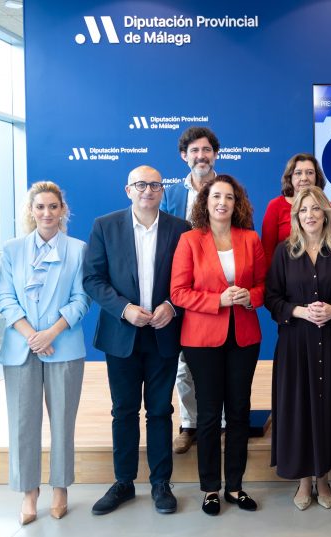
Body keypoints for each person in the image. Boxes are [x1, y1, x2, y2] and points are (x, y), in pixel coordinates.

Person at [84, 165, 190, 516]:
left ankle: (161, 483)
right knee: (124, 411)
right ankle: (124, 482)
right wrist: (124, 309)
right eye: (141, 185)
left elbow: (189, 279)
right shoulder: (105, 226)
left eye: (155, 185)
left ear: (163, 191)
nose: (148, 190)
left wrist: (172, 307)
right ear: (128, 190)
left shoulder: (181, 229)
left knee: (160, 411)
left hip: (163, 333)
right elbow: (93, 279)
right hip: (122, 334)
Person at [0, 182, 90, 525]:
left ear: (63, 210)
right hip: (21, 347)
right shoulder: (13, 248)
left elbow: (82, 298)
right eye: (40, 207)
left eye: (53, 207)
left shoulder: (78, 249)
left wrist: (50, 332)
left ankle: (61, 487)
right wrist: (31, 335)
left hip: (63, 345)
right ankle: (28, 491)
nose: (47, 213)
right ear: (31, 211)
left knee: (63, 421)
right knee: (22, 423)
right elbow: (4, 297)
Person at [171, 174, 265, 516]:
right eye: (216, 197)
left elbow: (262, 286)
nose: (223, 202)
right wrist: (220, 299)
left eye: (229, 197)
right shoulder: (190, 240)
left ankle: (235, 486)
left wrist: (248, 297)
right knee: (209, 415)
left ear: (237, 203)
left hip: (243, 337)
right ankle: (210, 488)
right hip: (201, 339)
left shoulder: (250, 239)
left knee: (239, 412)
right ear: (205, 203)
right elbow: (178, 292)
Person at [266, 186, 331, 510]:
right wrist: (300, 311)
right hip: (296, 343)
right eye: (304, 210)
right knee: (299, 409)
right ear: (297, 216)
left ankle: (324, 478)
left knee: (329, 408)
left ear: (326, 214)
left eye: (315, 209)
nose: (309, 215)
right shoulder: (284, 251)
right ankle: (303, 480)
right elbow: (272, 297)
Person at [161, 126, 219, 455]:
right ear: (185, 156)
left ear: (215, 154)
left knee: (220, 358)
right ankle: (189, 423)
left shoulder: (230, 190)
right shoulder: (170, 194)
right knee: (184, 361)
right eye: (194, 151)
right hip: (182, 287)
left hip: (218, 288)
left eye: (206, 150)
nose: (201, 156)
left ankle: (220, 422)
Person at [261, 153, 326, 260]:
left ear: (316, 177)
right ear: (290, 177)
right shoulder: (275, 206)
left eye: (310, 173)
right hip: (284, 272)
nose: (304, 178)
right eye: (298, 173)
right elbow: (267, 251)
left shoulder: (327, 206)